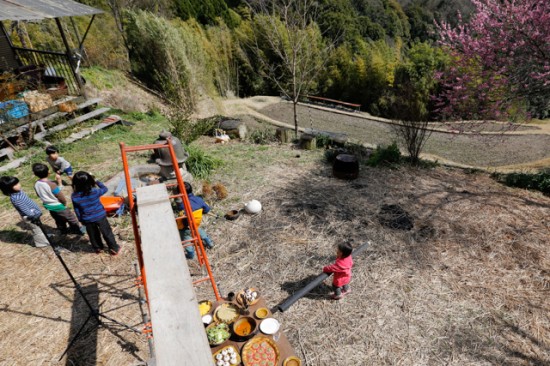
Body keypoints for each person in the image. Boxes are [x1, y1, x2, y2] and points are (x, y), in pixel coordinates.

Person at [71, 171, 122, 256]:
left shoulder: (74, 196)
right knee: (107, 232)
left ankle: (98, 248)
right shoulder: (94, 191)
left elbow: (76, 209)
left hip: (87, 219)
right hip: (100, 216)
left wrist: (80, 219)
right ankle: (114, 248)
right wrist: (96, 180)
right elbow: (105, 189)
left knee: (93, 235)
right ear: (90, 181)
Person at [32, 163, 84, 235]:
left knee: (58, 219)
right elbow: (60, 196)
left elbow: (38, 194)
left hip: (49, 206)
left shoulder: (36, 184)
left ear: (35, 174)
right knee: (71, 218)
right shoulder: (52, 184)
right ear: (49, 172)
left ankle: (63, 231)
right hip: (58, 205)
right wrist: (64, 203)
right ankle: (76, 230)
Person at [0, 176, 50, 248]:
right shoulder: (16, 198)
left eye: (18, 183)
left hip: (34, 213)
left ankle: (44, 235)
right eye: (15, 185)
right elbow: (25, 210)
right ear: (8, 188)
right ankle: (41, 243)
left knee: (39, 227)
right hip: (31, 216)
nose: (19, 185)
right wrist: (33, 216)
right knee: (36, 230)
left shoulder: (19, 192)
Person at [176, 182, 214, 259]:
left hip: (185, 228)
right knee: (198, 230)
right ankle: (209, 243)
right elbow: (206, 210)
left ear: (180, 193)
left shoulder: (181, 205)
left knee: (186, 239)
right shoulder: (199, 199)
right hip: (195, 224)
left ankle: (190, 254)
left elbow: (180, 209)